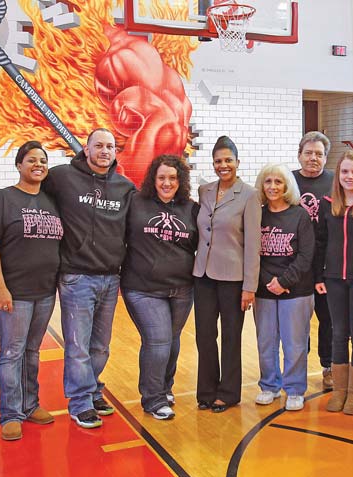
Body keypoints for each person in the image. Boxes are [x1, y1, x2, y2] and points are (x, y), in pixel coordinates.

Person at [43, 128, 135, 429]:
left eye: (110, 146)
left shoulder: (125, 188)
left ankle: (92, 388)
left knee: (100, 346)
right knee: (78, 345)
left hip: (110, 278)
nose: (105, 151)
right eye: (99, 145)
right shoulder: (62, 177)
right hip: (76, 277)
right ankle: (80, 402)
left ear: (115, 152)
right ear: (86, 148)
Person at [0, 141, 63, 441]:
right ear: (19, 165)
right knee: (12, 351)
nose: (38, 164)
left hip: (45, 292)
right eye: (31, 159)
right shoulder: (4, 198)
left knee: (32, 351)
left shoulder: (51, 201)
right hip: (15, 292)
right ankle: (10, 413)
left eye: (43, 160)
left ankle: (30, 404)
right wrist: (1, 288)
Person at [121, 155, 198, 420]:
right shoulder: (135, 203)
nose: (167, 183)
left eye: (173, 178)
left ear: (181, 181)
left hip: (182, 289)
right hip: (142, 288)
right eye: (162, 177)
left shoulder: (191, 208)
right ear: (153, 179)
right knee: (158, 340)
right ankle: (153, 398)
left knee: (171, 341)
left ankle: (165, 388)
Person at [193, 135, 261, 413]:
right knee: (204, 335)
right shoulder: (204, 191)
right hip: (203, 276)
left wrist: (250, 287)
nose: (223, 165)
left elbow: (253, 244)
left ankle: (229, 392)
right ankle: (206, 391)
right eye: (218, 161)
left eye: (228, 160)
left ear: (237, 162)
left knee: (232, 337)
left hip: (234, 280)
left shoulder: (249, 195)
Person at [315, 150, 353, 415]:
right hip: (334, 280)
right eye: (345, 172)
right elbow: (320, 242)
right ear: (338, 175)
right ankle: (339, 391)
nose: (350, 177)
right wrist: (319, 275)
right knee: (339, 334)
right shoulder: (327, 204)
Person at [253, 164, 315, 411]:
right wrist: (270, 282)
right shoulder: (257, 214)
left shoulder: (300, 215)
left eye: (278, 182)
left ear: (287, 186)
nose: (272, 187)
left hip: (297, 290)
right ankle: (269, 386)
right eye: (268, 182)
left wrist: (284, 281)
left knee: (295, 343)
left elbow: (306, 255)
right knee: (266, 341)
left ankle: (295, 389)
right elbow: (252, 253)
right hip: (264, 289)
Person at [293, 131, 334, 391]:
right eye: (308, 153)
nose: (313, 158)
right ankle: (298, 368)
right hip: (295, 261)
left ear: (325, 158)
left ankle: (329, 366)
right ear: (299, 155)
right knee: (298, 319)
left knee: (327, 318)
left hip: (326, 261)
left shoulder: (334, 181)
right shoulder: (289, 180)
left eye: (319, 154)